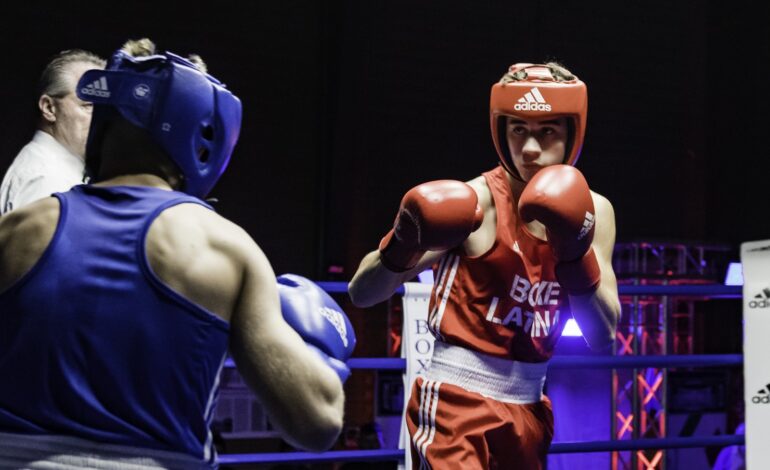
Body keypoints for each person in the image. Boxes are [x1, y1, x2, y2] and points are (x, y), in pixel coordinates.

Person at [0, 39, 355, 469]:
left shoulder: (16, 232)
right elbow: (317, 421)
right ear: (202, 130)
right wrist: (321, 361)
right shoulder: (224, 249)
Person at [349, 62, 620, 468]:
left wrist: (575, 254)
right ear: (501, 131)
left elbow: (604, 332)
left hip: (528, 406)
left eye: (547, 131)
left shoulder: (594, 212)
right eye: (518, 129)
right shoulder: (473, 204)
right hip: (456, 406)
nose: (530, 148)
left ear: (571, 132)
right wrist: (402, 243)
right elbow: (362, 292)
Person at [0, 48, 106, 214]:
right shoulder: (46, 179)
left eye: (105, 108)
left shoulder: (56, 172)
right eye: (88, 105)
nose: (102, 118)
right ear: (49, 108)